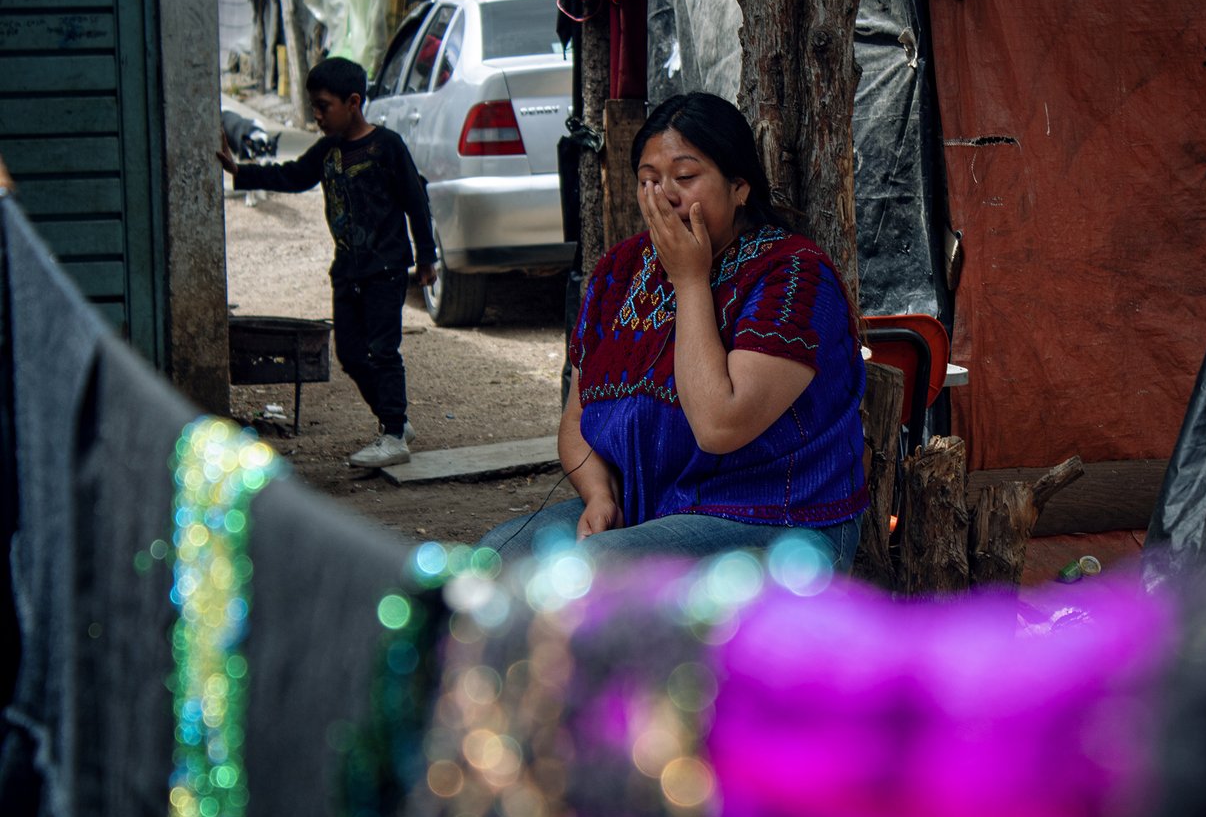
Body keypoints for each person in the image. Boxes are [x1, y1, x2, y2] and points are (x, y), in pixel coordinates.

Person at [480, 92, 869, 567]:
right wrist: (599, 493)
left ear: (739, 186)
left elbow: (719, 425)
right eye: (649, 180)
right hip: (646, 513)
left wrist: (689, 279)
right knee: (494, 560)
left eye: (685, 177)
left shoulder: (794, 276)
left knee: (596, 572)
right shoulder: (617, 271)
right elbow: (577, 419)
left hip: (777, 521)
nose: (665, 195)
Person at [217, 57, 438, 468]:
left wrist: (427, 256)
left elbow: (415, 201)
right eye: (314, 107)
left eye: (323, 106)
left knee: (383, 351)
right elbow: (293, 176)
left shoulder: (386, 147)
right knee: (351, 355)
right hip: (348, 271)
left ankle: (393, 435)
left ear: (353, 102)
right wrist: (239, 171)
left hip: (385, 268)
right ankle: (396, 420)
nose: (316, 116)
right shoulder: (327, 151)